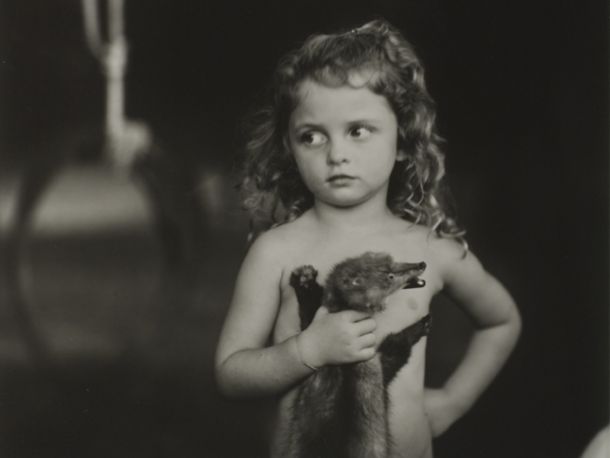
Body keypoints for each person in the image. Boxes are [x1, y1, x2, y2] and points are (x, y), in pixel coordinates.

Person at [215, 19, 521, 458]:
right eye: (312, 136)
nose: (336, 153)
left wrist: (454, 399)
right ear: (289, 146)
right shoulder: (277, 252)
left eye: (358, 130)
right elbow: (230, 373)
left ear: (402, 138)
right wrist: (307, 349)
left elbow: (501, 320)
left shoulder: (428, 251)